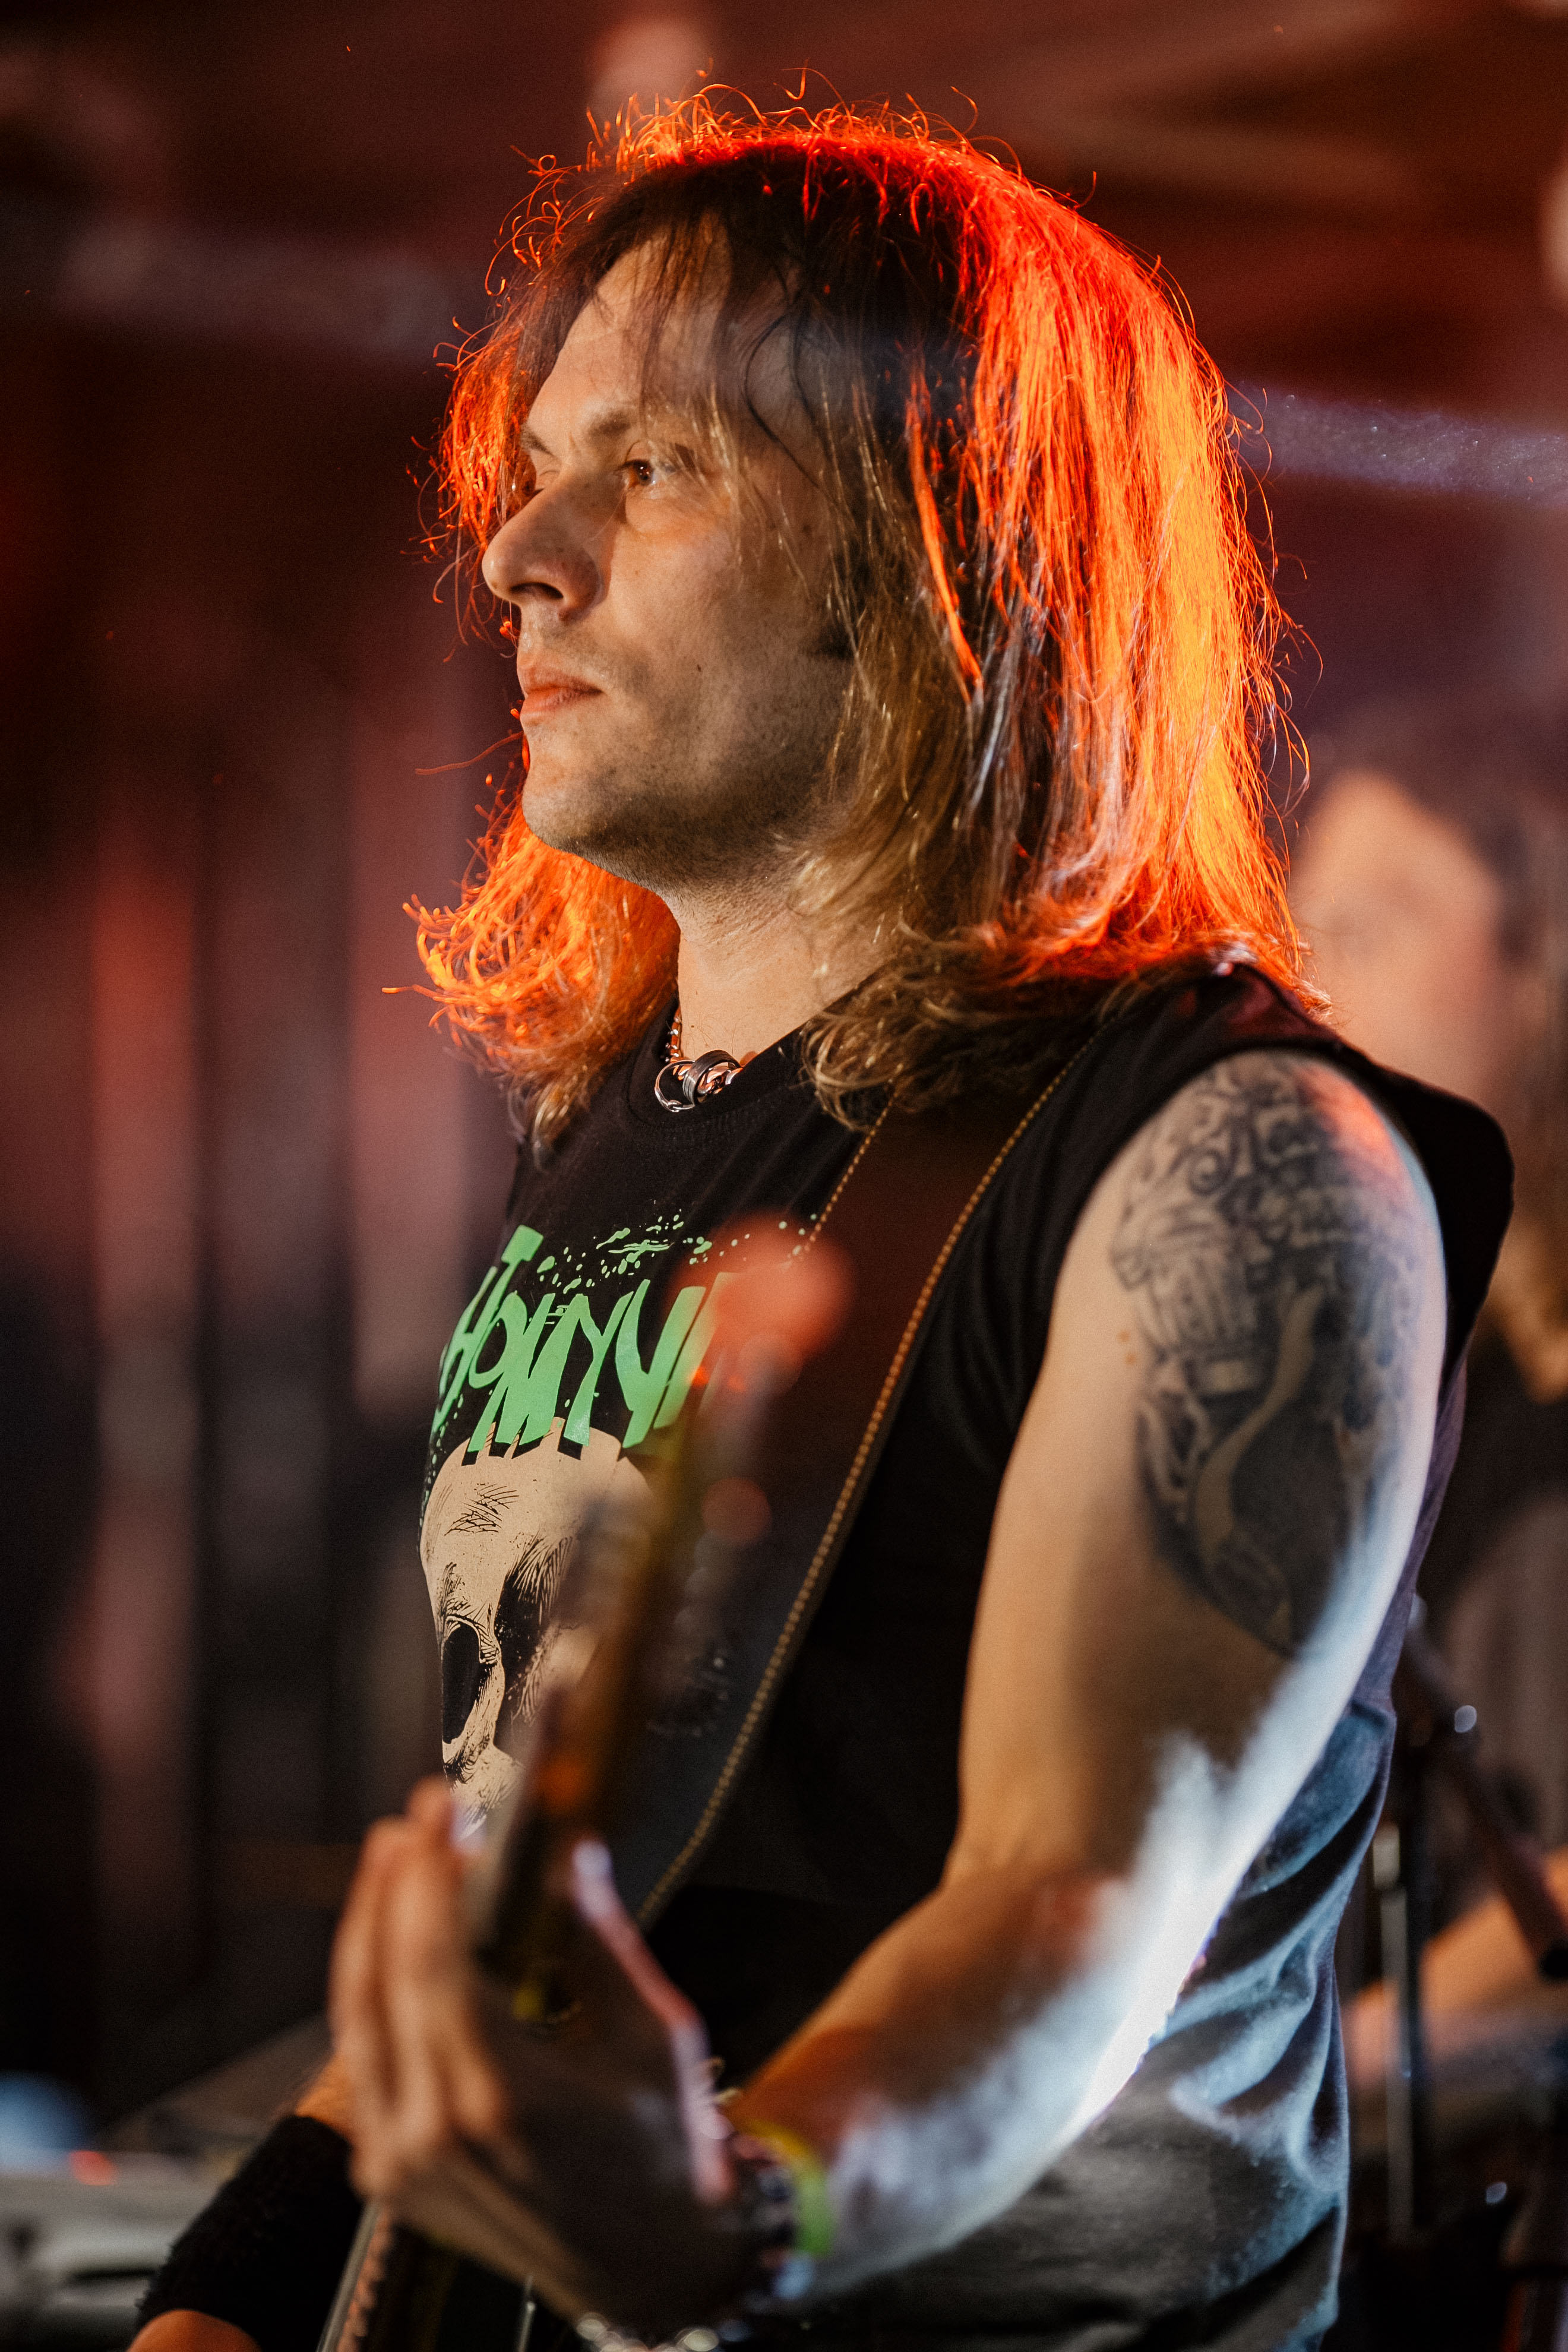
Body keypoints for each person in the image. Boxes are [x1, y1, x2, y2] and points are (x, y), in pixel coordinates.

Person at [132, 106, 1507, 2352]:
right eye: (536, 471)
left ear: (938, 543)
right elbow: (519, 1889)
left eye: (654, 466)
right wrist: (223, 2303)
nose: (520, 557)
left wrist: (734, 2217)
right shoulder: (612, 1140)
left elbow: (1067, 1905)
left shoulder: (1236, 1159)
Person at [1292, 700, 1568, 1929]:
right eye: (1299, 939)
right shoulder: (1422, 1365)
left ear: (1542, 961)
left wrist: (1373, 2041)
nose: (1311, 988)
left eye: (1367, 930)